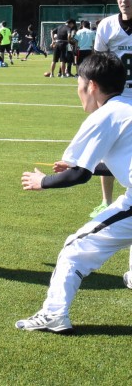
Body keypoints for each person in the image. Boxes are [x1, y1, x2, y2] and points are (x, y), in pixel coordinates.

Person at [16, 52, 132, 334]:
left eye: (78, 83)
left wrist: (43, 181)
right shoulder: (126, 107)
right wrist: (79, 166)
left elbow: (79, 175)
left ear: (92, 85)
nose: (78, 90)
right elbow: (115, 162)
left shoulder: (104, 116)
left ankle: (53, 314)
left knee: (74, 249)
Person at [89, 0, 132, 217]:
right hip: (115, 98)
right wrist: (97, 98)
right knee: (108, 149)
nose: (124, 1)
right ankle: (106, 201)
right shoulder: (107, 26)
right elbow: (99, 64)